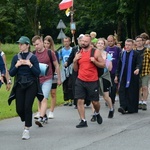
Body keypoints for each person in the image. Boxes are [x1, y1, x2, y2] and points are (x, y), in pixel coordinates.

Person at [8, 36, 43, 140]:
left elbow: (37, 73)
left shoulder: (33, 57)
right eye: (19, 44)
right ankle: (25, 118)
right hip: (19, 84)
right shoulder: (16, 57)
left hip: (31, 84)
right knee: (19, 108)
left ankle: (26, 129)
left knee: (28, 106)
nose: (20, 46)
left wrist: (30, 65)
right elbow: (11, 73)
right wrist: (17, 65)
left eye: (22, 44)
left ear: (27, 45)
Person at [73, 34, 105, 128]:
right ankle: (83, 120)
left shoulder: (96, 52)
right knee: (80, 100)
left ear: (90, 42)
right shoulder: (79, 53)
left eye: (86, 41)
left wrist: (95, 61)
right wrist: (75, 60)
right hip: (80, 79)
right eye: (82, 41)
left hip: (92, 80)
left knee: (95, 102)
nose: (83, 43)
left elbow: (103, 65)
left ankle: (97, 112)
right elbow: (75, 69)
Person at [32, 35, 61, 127]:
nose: (36, 46)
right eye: (34, 45)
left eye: (37, 44)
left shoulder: (49, 53)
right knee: (39, 98)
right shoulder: (33, 54)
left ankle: (40, 117)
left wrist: (59, 79)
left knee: (44, 97)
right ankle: (44, 115)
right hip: (37, 79)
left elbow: (56, 65)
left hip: (48, 78)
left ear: (41, 42)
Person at [115, 39, 141, 114]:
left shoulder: (136, 54)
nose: (127, 46)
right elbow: (119, 66)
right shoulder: (122, 54)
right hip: (123, 75)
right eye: (126, 45)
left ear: (133, 45)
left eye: (129, 45)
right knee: (122, 91)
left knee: (131, 92)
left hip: (133, 76)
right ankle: (123, 106)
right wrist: (117, 75)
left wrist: (138, 69)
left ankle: (131, 108)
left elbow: (139, 63)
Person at [91, 38, 114, 119]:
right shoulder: (93, 54)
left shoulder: (107, 55)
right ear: (96, 44)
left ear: (104, 45)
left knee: (105, 96)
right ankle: (94, 114)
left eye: (102, 43)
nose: (100, 45)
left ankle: (111, 109)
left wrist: (108, 61)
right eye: (99, 43)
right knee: (94, 97)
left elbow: (110, 68)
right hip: (95, 76)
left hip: (104, 76)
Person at [64, 34, 85, 108]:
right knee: (75, 85)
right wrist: (67, 63)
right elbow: (70, 57)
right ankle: (76, 102)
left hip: (84, 70)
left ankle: (86, 101)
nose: (81, 42)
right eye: (79, 40)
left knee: (85, 85)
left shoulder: (87, 49)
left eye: (82, 40)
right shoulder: (75, 48)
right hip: (76, 70)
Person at [43, 35, 60, 119]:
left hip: (53, 75)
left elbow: (57, 65)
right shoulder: (41, 52)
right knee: (43, 94)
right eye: (45, 43)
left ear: (50, 44)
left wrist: (58, 76)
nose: (46, 45)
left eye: (48, 43)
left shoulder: (54, 52)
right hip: (43, 75)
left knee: (53, 93)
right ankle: (42, 111)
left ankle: (51, 111)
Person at [106, 35, 122, 105]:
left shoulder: (118, 49)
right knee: (107, 86)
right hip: (107, 71)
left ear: (114, 41)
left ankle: (112, 100)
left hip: (115, 70)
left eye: (111, 41)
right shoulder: (106, 49)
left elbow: (120, 59)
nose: (110, 43)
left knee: (114, 86)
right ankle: (108, 99)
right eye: (108, 41)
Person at [136, 35, 150, 110]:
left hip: (146, 71)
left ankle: (144, 102)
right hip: (136, 72)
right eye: (137, 41)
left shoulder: (147, 50)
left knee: (145, 87)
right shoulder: (134, 51)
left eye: (140, 41)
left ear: (143, 42)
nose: (139, 42)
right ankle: (139, 101)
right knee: (138, 87)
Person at [59, 37, 73, 106]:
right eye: (64, 41)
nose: (66, 43)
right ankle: (66, 99)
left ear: (70, 42)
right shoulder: (61, 51)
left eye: (67, 41)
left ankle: (71, 99)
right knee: (65, 85)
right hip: (64, 70)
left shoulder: (72, 50)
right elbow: (59, 59)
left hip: (70, 69)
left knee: (70, 84)